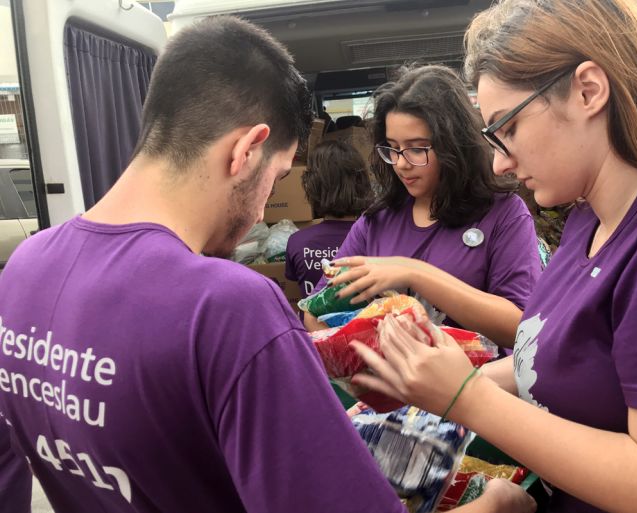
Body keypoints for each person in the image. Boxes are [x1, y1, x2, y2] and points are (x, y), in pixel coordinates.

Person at [0, 16, 533, 513]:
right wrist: (495, 505)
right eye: (277, 179)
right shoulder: (226, 306)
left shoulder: (22, 268)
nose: (262, 211)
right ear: (248, 151)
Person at [350, 1, 637, 512]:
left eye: (509, 128)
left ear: (589, 90)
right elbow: (554, 359)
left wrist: (465, 396)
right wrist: (426, 379)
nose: (501, 162)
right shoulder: (588, 222)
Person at [305, 65, 542, 348]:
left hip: (475, 387)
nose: (402, 163)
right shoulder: (377, 220)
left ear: (454, 146)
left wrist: (414, 273)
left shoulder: (503, 214)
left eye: (417, 148)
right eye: (392, 148)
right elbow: (315, 311)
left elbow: (522, 328)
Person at [285, 140, 372, 299]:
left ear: (312, 186)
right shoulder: (378, 238)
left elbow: (293, 300)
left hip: (313, 323)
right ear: (361, 182)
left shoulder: (297, 242)